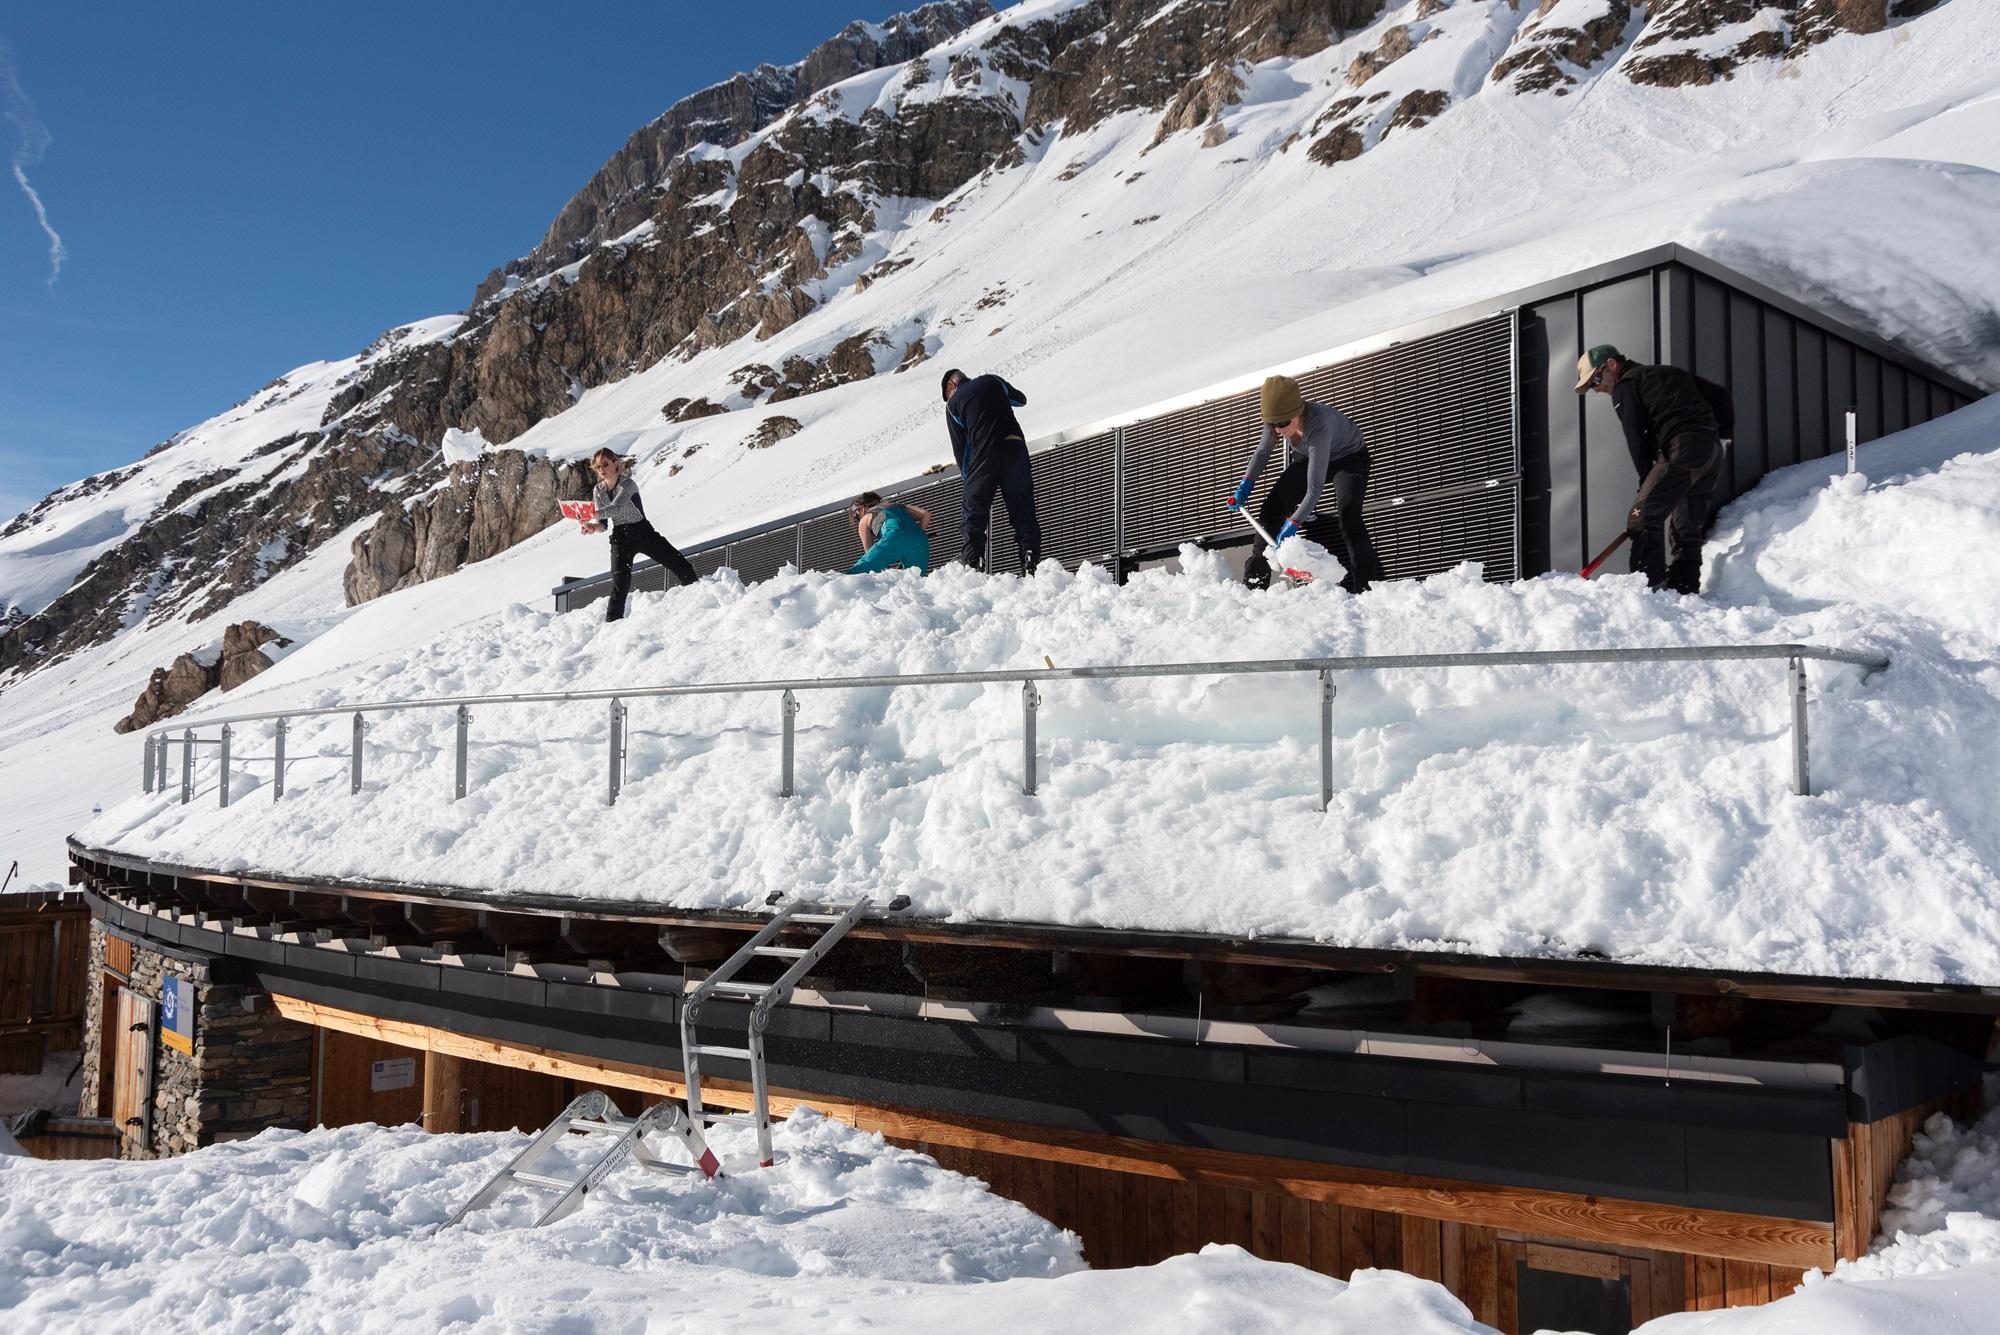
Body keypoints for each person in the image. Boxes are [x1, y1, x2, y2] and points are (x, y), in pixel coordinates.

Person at [1575, 344, 1730, 595]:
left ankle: (1648, 592)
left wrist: (1645, 481)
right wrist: (1724, 437)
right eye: (1591, 385)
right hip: (1710, 451)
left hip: (1681, 447)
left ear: (1612, 365)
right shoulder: (1668, 373)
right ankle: (1684, 590)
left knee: (1642, 517)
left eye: (1595, 379)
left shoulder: (1626, 385)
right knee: (1685, 527)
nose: (1597, 388)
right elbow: (1720, 395)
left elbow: (1637, 437)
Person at [1226, 374, 1383, 594]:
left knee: (1349, 516)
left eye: (1283, 423)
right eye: (1272, 424)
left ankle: (1367, 589)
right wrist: (1246, 484)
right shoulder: (1275, 422)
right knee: (1271, 508)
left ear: (1297, 412)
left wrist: (1293, 523)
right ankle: (1254, 586)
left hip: (1348, 459)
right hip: (1309, 457)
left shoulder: (1319, 426)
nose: (1278, 430)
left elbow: (1314, 489)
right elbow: (1262, 453)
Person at [579, 447, 698, 621]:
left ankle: (700, 601)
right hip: (621, 538)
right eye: (597, 467)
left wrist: (592, 513)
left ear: (616, 463)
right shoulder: (598, 490)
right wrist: (592, 527)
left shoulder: (627, 484)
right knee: (620, 584)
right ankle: (611, 626)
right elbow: (603, 524)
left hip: (643, 532)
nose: (601, 469)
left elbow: (616, 508)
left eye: (605, 464)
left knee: (681, 565)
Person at [941, 368, 1042, 572]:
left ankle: (973, 562)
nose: (949, 398)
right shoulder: (993, 380)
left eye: (947, 395)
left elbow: (960, 448)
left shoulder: (952, 405)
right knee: (1023, 509)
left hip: (984, 456)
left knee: (974, 512)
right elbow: (1021, 400)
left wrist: (969, 481)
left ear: (951, 386)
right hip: (1016, 449)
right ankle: (1030, 558)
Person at [846, 491, 934, 574]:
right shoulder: (898, 506)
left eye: (856, 514)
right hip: (920, 541)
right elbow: (926, 514)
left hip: (894, 535)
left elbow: (870, 555)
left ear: (863, 508)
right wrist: (916, 534)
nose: (858, 518)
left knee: (857, 573)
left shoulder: (866, 518)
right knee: (913, 582)